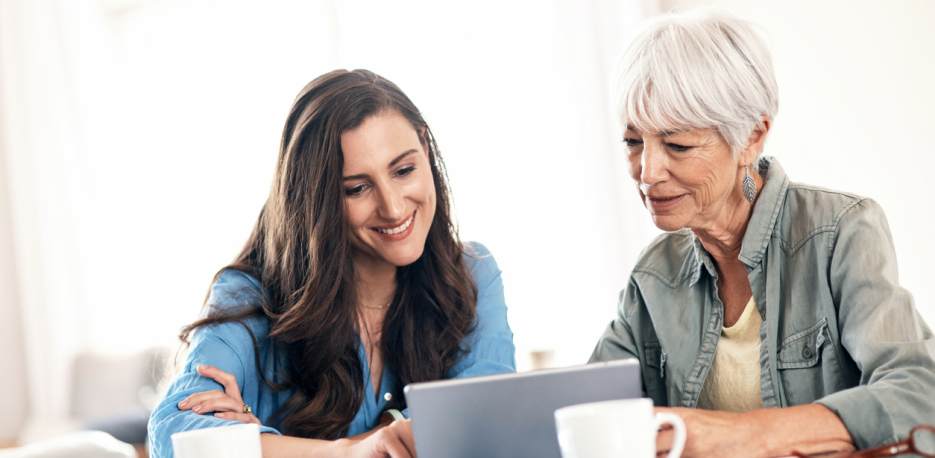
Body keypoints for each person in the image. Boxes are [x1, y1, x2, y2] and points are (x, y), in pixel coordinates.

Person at [590, 9, 935, 458]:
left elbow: (918, 392)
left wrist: (738, 436)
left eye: (677, 145)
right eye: (633, 142)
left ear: (751, 137)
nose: (647, 173)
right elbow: (587, 408)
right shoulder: (654, 274)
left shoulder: (839, 232)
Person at [147, 69, 516, 458]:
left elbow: (482, 429)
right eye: (356, 188)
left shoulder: (473, 273)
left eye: (403, 170)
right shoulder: (249, 294)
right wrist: (348, 453)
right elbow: (175, 437)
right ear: (316, 200)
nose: (392, 207)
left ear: (425, 145)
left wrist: (264, 447)